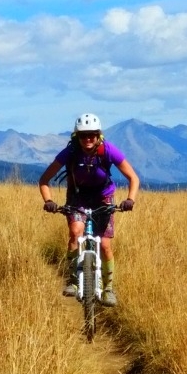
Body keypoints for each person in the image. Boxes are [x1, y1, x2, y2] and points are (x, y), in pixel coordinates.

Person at [39, 113, 140, 306]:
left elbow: (133, 178)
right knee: (76, 233)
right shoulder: (70, 153)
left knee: (104, 245)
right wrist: (48, 200)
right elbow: (44, 180)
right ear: (76, 136)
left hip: (103, 197)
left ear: (98, 135)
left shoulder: (108, 150)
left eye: (92, 135)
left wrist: (130, 200)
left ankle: (109, 288)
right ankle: (73, 281)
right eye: (83, 135)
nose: (88, 139)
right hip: (77, 197)